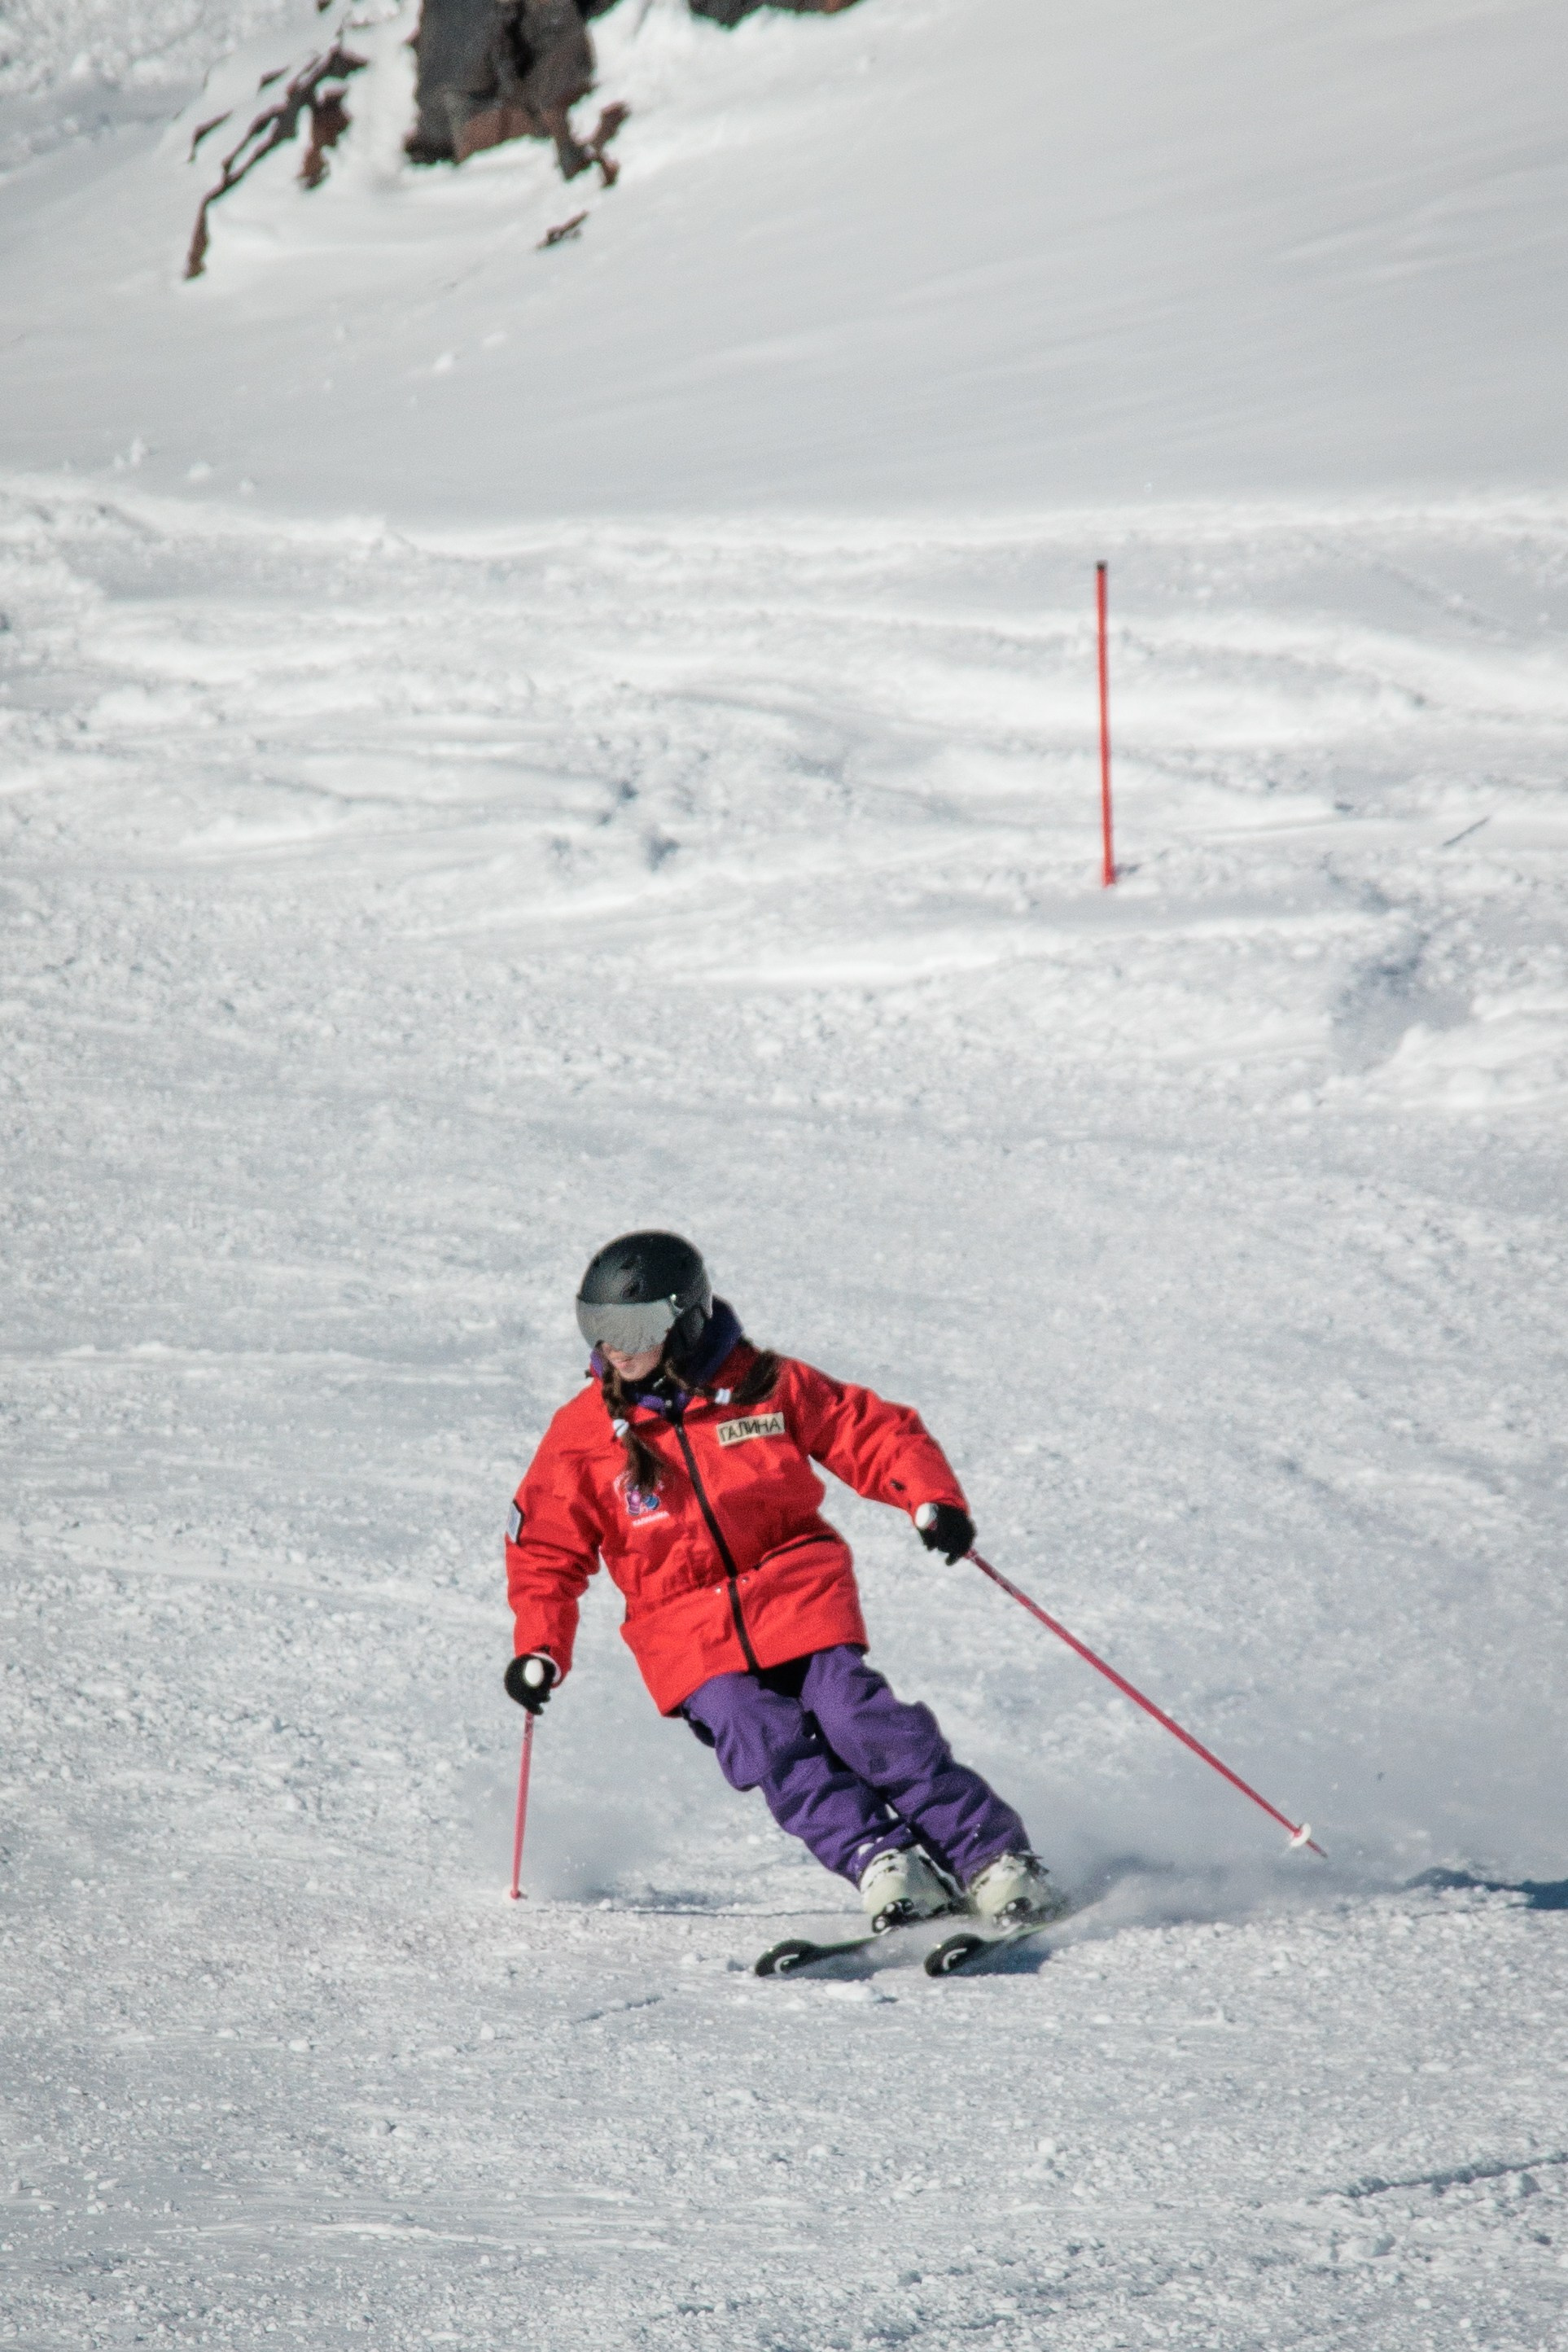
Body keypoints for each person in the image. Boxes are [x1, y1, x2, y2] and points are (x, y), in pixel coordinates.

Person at [502, 1231, 1065, 1930]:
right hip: (683, 1629)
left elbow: (870, 1431)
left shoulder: (763, 1385)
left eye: (635, 1326)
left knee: (854, 1715)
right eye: (599, 1326)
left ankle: (993, 1857)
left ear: (685, 1321)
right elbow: (544, 1550)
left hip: (796, 1593)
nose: (615, 1346)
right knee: (757, 1732)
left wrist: (928, 1499)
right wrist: (540, 1646)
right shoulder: (583, 1435)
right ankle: (882, 1860)